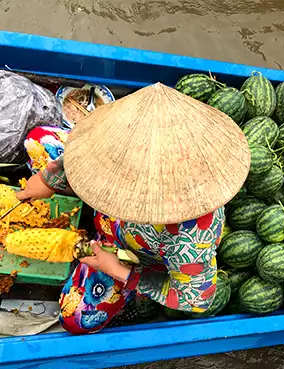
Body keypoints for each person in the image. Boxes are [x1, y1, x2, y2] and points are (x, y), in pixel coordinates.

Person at [15, 83, 249, 334]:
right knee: (38, 141)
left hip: (129, 254)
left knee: (76, 318)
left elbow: (196, 298)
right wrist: (49, 180)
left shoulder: (190, 235)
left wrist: (117, 269)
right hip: (109, 222)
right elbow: (89, 151)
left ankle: (126, 299)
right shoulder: (118, 134)